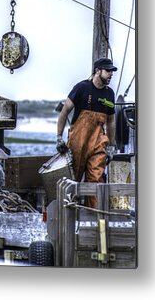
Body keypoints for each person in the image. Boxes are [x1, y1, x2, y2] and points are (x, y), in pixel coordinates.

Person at [56, 57, 118, 208]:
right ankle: (71, 219)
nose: (111, 74)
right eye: (108, 71)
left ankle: (93, 221)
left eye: (112, 71)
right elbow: (64, 113)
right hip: (78, 142)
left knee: (96, 180)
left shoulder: (109, 94)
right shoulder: (82, 88)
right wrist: (59, 137)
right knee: (73, 181)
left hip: (98, 143)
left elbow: (111, 121)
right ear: (97, 71)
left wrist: (111, 146)